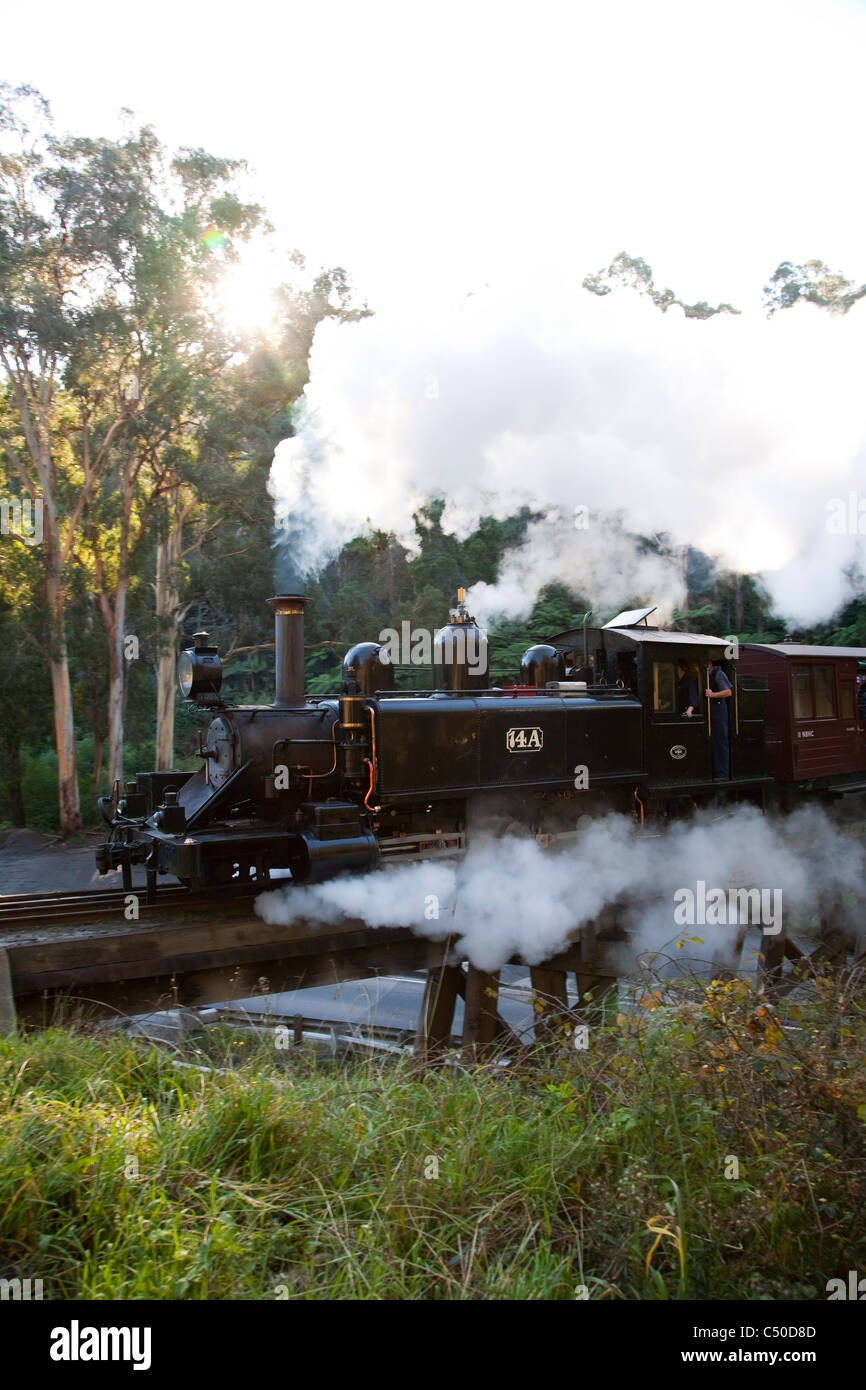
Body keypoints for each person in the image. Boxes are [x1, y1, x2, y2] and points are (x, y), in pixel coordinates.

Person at [705, 659, 733, 779]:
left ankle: (723, 774)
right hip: (712, 712)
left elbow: (728, 692)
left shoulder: (718, 673)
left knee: (720, 743)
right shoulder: (707, 675)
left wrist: (712, 695)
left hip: (719, 712)